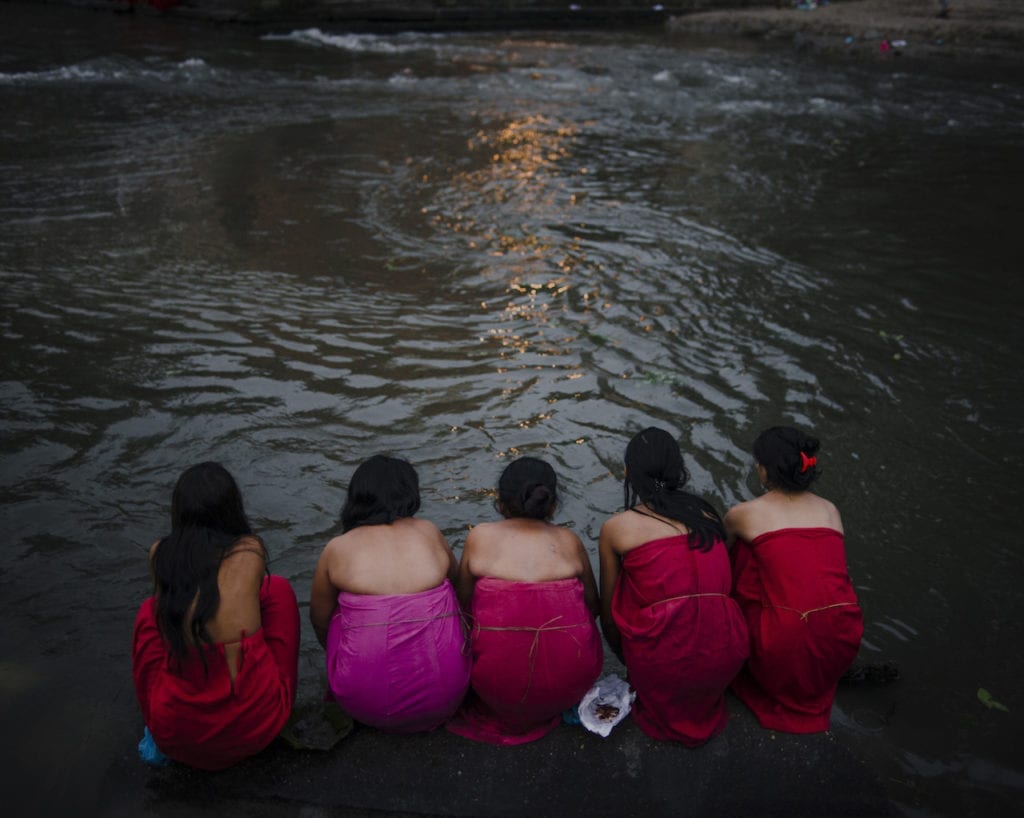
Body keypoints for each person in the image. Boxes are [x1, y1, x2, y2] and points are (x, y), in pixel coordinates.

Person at [131, 462, 300, 770]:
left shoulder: (160, 554)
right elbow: (242, 599)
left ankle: (153, 717)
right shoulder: (250, 550)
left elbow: (174, 620)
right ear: (232, 509)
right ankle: (270, 692)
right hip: (258, 729)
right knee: (277, 591)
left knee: (150, 612)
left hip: (175, 737)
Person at [599, 427, 748, 746]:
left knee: (630, 587)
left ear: (628, 472)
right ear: (678, 470)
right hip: (728, 653)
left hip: (662, 663)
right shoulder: (706, 512)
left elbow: (609, 613)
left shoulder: (617, 528)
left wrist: (629, 660)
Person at [447, 456, 602, 745]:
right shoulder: (569, 540)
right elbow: (593, 607)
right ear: (552, 504)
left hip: (495, 687)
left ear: (501, 502)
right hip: (570, 684)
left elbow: (461, 607)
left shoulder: (480, 536)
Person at [309, 455, 470, 732]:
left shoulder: (337, 547)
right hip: (446, 696)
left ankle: (357, 675)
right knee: (445, 592)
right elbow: (458, 586)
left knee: (336, 611)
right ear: (410, 492)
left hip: (362, 703)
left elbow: (319, 621)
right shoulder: (428, 531)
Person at [724, 426, 863, 733]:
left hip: (784, 644)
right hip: (843, 637)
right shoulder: (830, 510)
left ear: (763, 469)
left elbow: (721, 562)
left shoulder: (743, 514)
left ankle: (755, 658)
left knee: (742, 555)